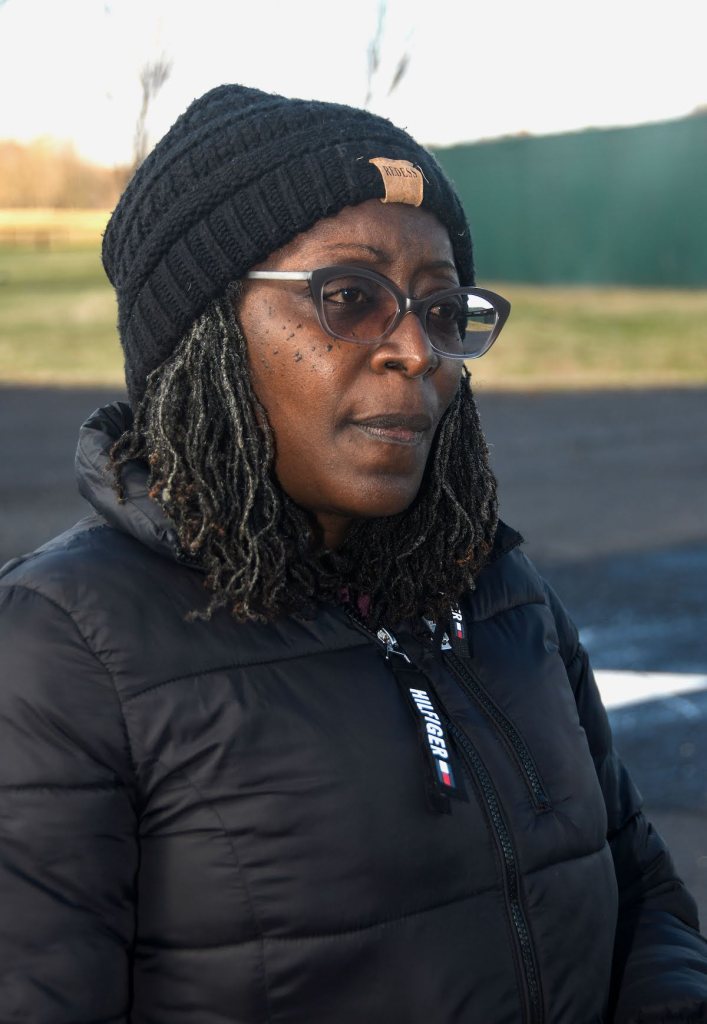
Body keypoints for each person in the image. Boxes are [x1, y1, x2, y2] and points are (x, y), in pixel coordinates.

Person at [0, 84, 705, 1024]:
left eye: (443, 309)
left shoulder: (500, 588)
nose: (418, 351)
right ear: (201, 336)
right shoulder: (64, 647)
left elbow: (644, 899)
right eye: (348, 298)